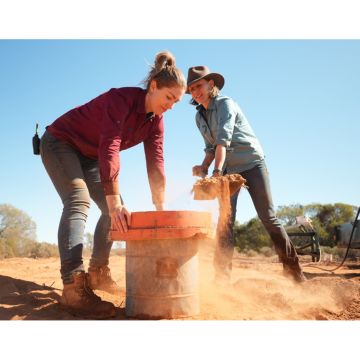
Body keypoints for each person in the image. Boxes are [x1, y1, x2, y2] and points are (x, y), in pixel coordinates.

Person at [40, 51, 186, 318]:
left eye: (177, 101)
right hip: (60, 142)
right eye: (169, 97)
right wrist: (115, 199)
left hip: (90, 155)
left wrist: (160, 206)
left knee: (115, 214)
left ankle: (98, 273)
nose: (172, 105)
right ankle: (73, 286)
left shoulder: (157, 121)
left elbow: (156, 162)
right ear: (153, 86)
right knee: (79, 199)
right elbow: (110, 147)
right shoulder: (120, 99)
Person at [187, 65, 306, 284]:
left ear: (211, 84)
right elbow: (211, 147)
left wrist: (215, 172)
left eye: (199, 86)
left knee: (268, 218)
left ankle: (294, 273)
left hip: (252, 164)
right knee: (225, 223)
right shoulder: (199, 117)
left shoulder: (225, 104)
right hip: (227, 170)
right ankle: (221, 280)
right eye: (192, 88)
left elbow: (224, 139)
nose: (196, 91)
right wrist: (204, 167)